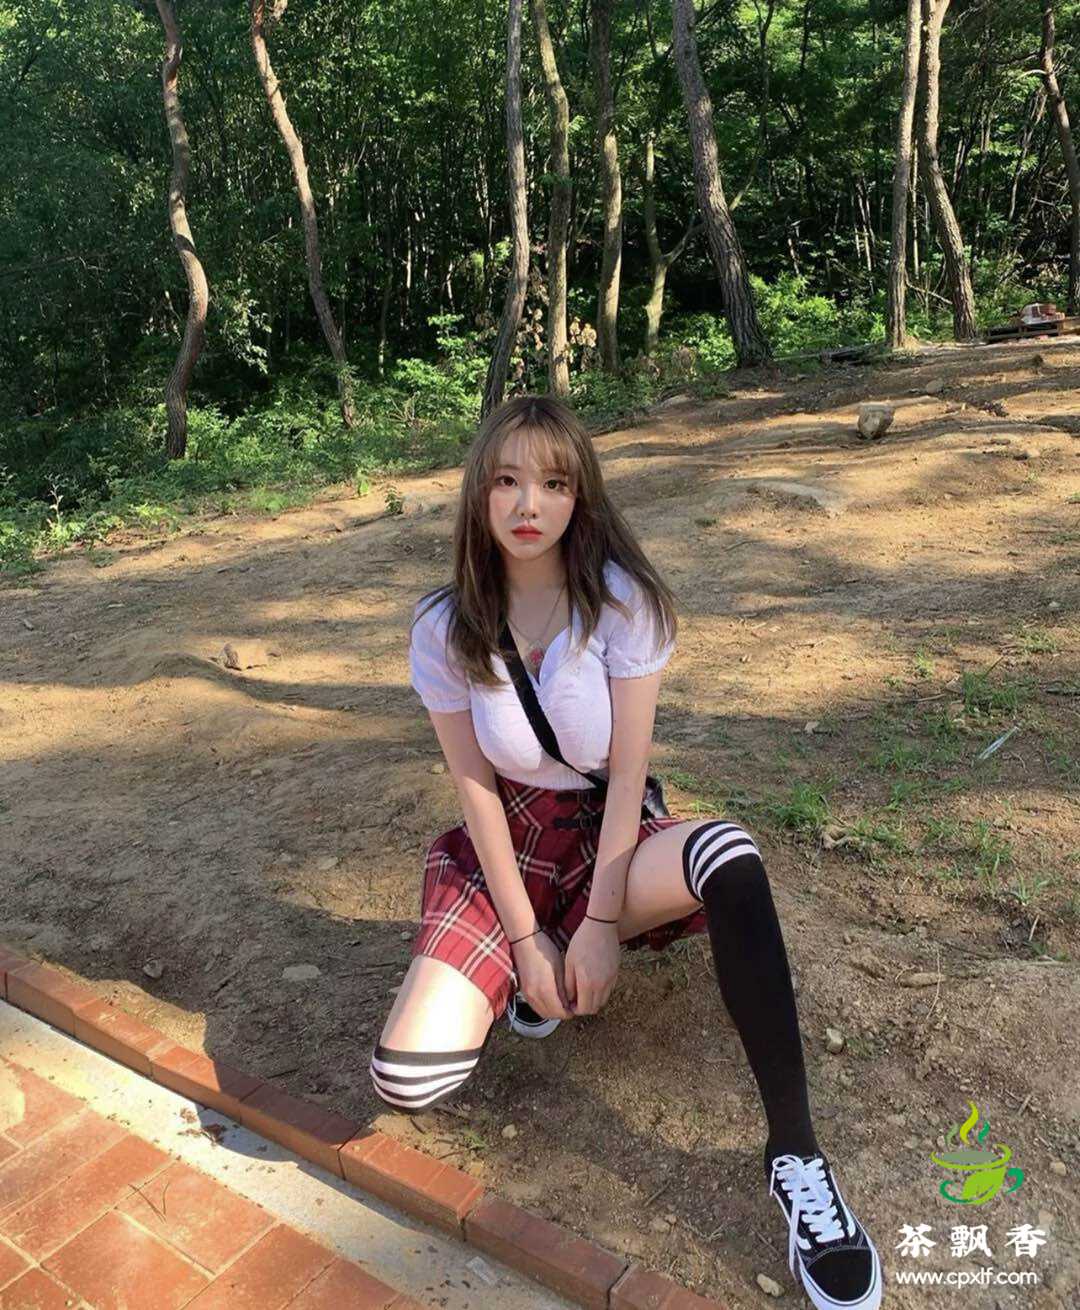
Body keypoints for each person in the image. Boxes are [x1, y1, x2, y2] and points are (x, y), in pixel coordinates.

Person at [371, 394, 882, 1310]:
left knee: (730, 856)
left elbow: (630, 770)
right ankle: (528, 977)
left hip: (607, 832)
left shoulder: (620, 605)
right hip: (508, 850)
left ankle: (796, 1154)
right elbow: (475, 791)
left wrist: (603, 922)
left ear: (581, 498)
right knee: (408, 1076)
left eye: (554, 483)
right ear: (479, 495)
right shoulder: (444, 626)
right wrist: (525, 940)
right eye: (507, 481)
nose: (530, 504)